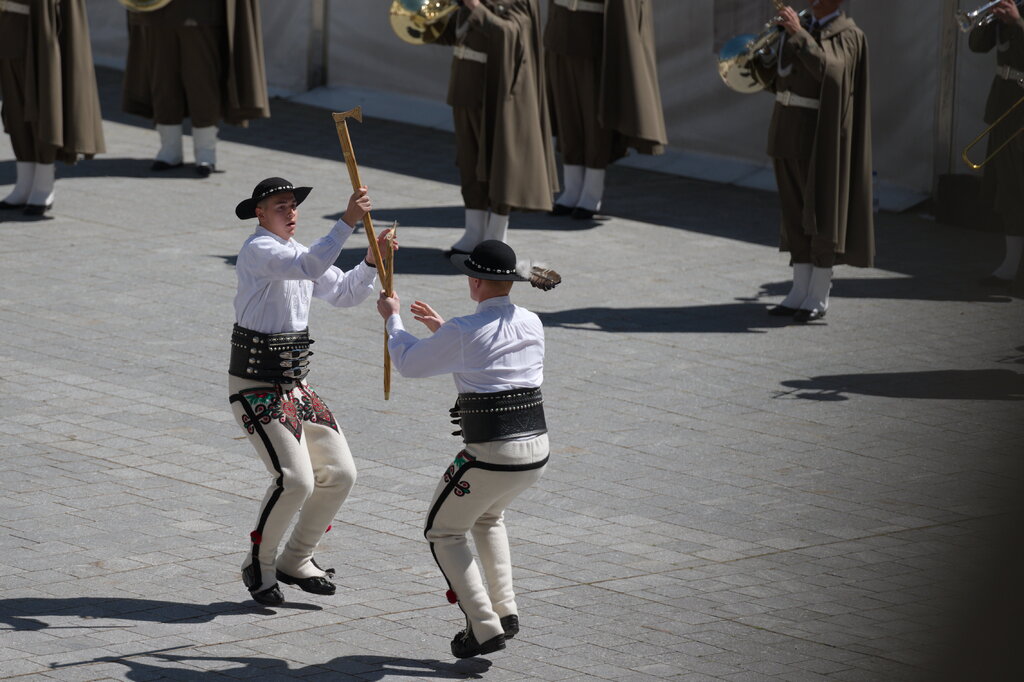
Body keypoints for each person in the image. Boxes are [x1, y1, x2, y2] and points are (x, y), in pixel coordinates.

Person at [376, 240, 550, 658]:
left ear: (474, 282)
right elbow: (486, 358)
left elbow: (410, 364)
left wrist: (392, 319)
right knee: (488, 516)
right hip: (536, 451)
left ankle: (485, 626)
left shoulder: (464, 329)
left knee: (443, 530)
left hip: (492, 453)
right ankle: (505, 609)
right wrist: (443, 333)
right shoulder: (531, 320)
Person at [229, 177, 394, 606]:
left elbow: (342, 293)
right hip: (257, 383)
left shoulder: (303, 254)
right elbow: (310, 267)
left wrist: (374, 262)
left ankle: (296, 560)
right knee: (294, 480)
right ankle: (259, 563)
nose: (290, 211)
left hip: (296, 384)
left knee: (341, 474)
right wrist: (347, 222)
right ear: (260, 214)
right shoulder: (259, 249)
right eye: (280, 206)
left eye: (293, 205)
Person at [751, 0, 873, 322]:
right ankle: (798, 290)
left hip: (818, 137)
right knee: (793, 214)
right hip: (785, 131)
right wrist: (761, 55)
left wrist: (798, 35)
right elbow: (776, 81)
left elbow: (831, 74)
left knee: (819, 213)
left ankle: (818, 294)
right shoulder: (803, 29)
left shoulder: (848, 34)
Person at [433, 0, 558, 254]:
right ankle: (473, 232)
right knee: (468, 162)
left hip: (495, 93)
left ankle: (496, 236)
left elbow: (512, 33)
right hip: (464, 87)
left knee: (500, 165)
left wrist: (477, 8)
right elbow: (451, 36)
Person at [543, 0, 668, 219]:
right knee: (567, 115)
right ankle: (572, 189)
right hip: (560, 31)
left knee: (594, 121)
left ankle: (591, 193)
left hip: (593, 35)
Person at [121, 0, 269, 177]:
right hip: (155, 12)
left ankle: (205, 152)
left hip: (199, 12)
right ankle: (170, 149)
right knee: (162, 81)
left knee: (202, 84)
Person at [0, 0, 105, 215]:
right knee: (15, 108)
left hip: (41, 29)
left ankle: (43, 183)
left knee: (44, 107)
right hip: (10, 26)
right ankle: (24, 183)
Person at [969, 0, 1024, 289]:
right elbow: (976, 46)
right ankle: (1010, 266)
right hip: (1004, 104)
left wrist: (1018, 23)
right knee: (1009, 188)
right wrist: (987, 20)